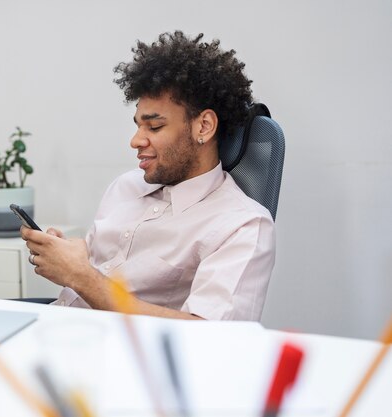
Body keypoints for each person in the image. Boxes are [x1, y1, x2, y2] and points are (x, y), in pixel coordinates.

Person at [21, 31, 275, 321]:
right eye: (138, 126)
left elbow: (212, 337)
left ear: (203, 126)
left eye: (153, 127)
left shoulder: (241, 225)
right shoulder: (125, 187)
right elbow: (92, 273)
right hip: (59, 331)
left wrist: (81, 277)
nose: (135, 141)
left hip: (124, 361)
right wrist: (68, 256)